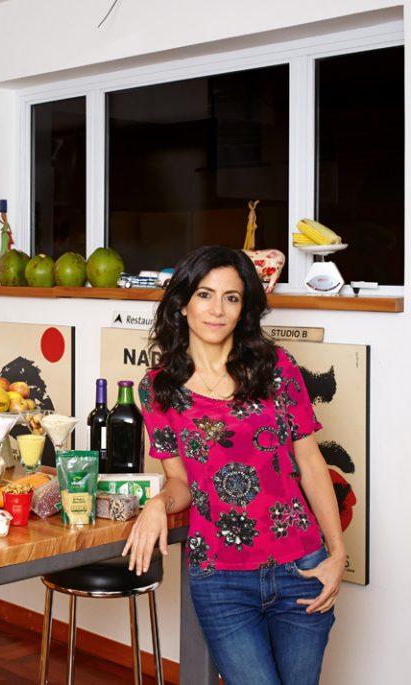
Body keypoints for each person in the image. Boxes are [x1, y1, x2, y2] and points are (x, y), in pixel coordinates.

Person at [121, 246, 344, 685]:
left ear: (244, 309)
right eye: (205, 295)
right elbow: (179, 482)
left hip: (302, 565)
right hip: (220, 579)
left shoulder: (276, 368)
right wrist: (156, 504)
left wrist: (337, 554)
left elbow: (311, 463)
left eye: (232, 297)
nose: (217, 310)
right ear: (182, 303)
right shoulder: (158, 388)